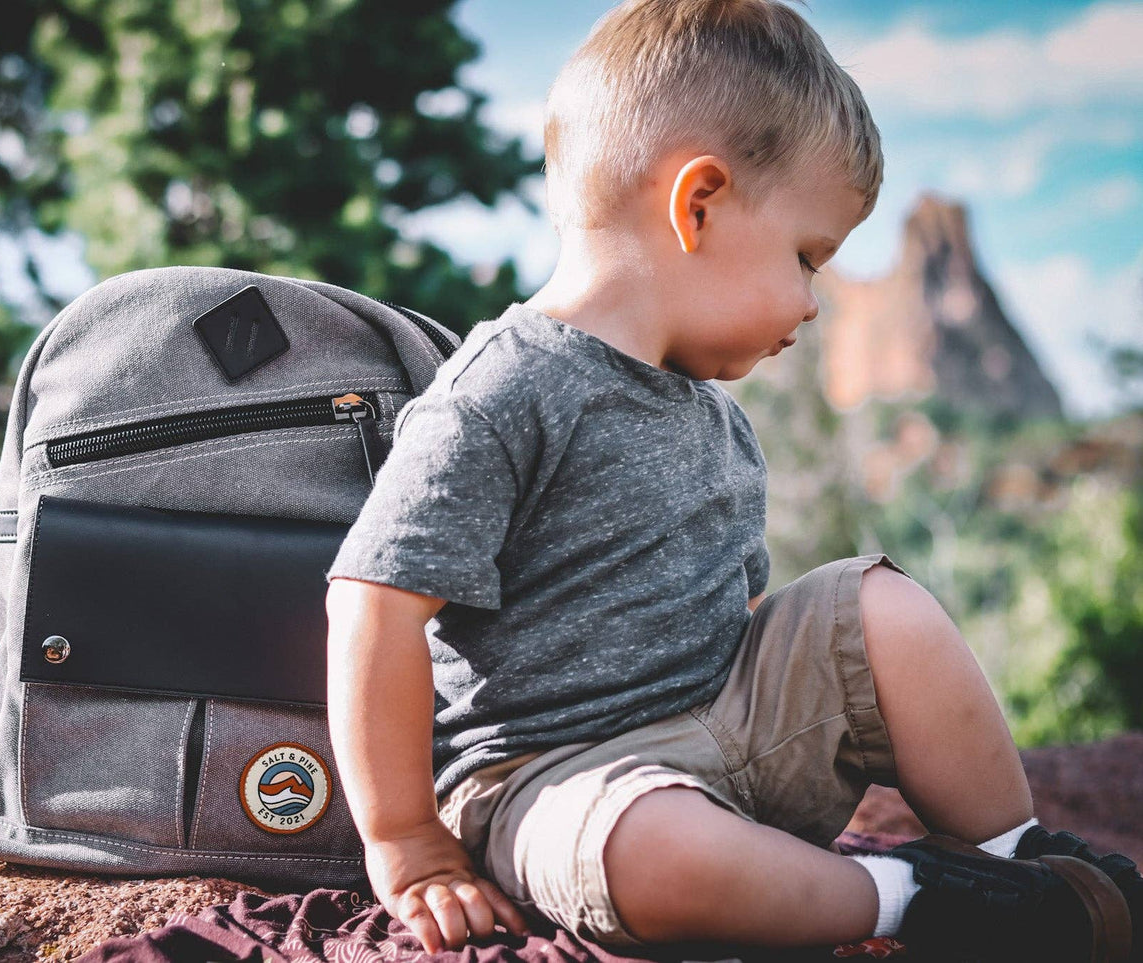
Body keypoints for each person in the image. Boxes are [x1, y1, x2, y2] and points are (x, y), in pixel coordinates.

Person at [323, 1, 1140, 959]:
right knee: (657, 853)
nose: (811, 302)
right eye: (806, 257)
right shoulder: (501, 390)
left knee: (880, 602)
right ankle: (905, 896)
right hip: (557, 779)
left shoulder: (718, 416)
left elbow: (745, 615)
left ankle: (1018, 866)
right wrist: (408, 840)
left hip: (728, 733)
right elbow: (371, 609)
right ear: (697, 204)